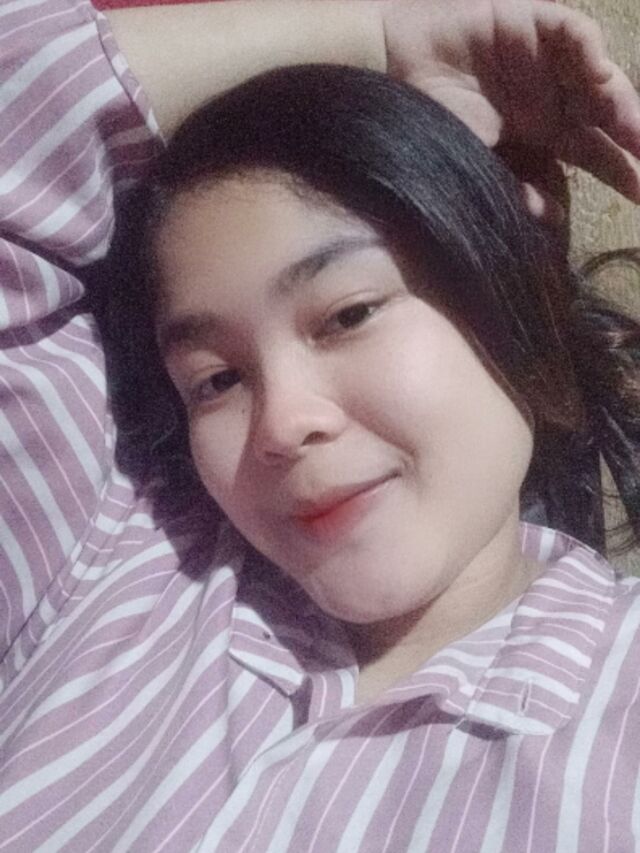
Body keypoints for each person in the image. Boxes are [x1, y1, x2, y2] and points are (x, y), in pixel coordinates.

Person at [1, 0, 639, 849]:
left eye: (349, 314)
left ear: (516, 301)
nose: (284, 423)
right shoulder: (101, 560)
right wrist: (380, 35)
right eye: (217, 380)